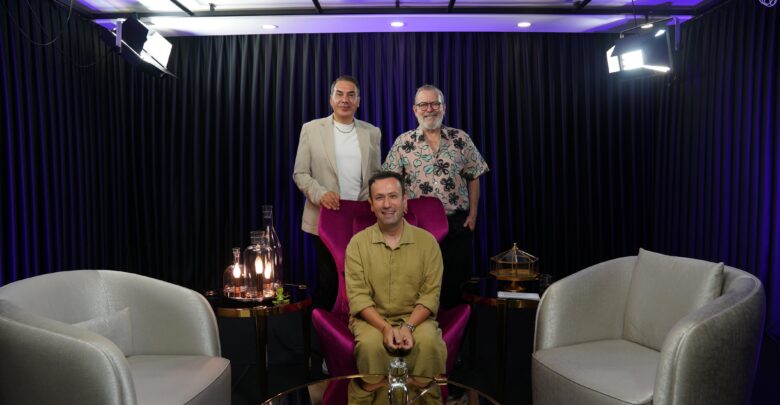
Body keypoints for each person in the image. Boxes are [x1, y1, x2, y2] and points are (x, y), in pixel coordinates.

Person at [383, 84, 489, 309]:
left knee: (455, 285)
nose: (429, 109)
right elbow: (390, 181)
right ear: (415, 110)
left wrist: (473, 215)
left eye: (434, 104)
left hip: (456, 224)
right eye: (423, 104)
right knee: (418, 285)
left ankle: (455, 327)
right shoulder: (403, 142)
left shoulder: (461, 139)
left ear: (443, 107)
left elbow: (474, 177)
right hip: (417, 226)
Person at [345, 171, 446, 403]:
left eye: (393, 196)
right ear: (371, 205)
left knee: (429, 343)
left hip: (417, 319)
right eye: (379, 198)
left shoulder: (427, 243)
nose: (387, 204)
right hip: (372, 320)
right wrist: (384, 328)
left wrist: (408, 326)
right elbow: (358, 297)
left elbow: (430, 295)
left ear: (404, 200)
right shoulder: (357, 244)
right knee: (370, 346)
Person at [293, 75, 382, 310]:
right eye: (339, 94)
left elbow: (376, 175)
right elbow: (300, 173)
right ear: (331, 99)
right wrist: (320, 194)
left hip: (361, 218)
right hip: (325, 217)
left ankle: (359, 327)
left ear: (358, 101)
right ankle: (323, 328)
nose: (345, 99)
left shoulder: (372, 132)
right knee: (330, 282)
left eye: (351, 95)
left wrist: (376, 197)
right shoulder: (311, 129)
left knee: (363, 281)